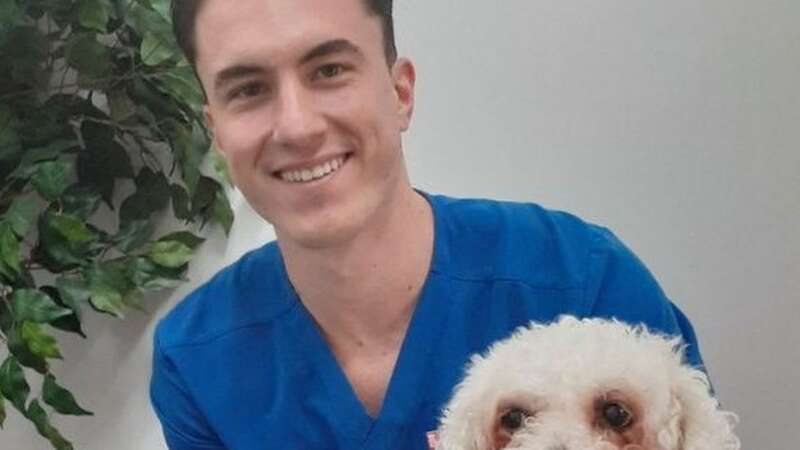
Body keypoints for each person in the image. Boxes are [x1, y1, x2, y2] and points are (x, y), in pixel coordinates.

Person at [150, 0, 707, 448]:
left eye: (329, 70)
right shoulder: (195, 360)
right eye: (248, 89)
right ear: (217, 132)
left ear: (400, 93)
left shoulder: (585, 280)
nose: (296, 127)